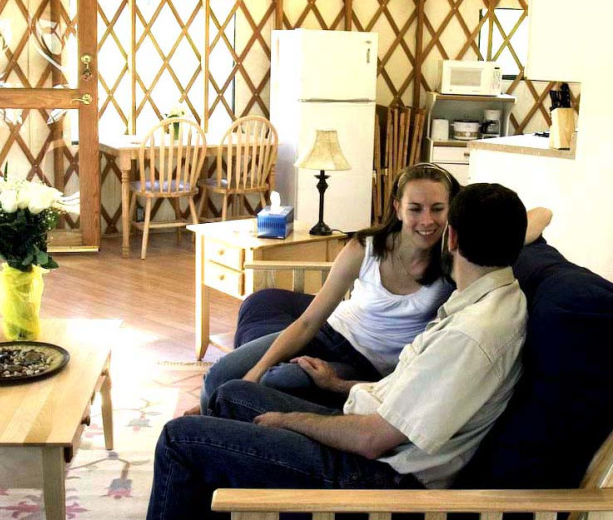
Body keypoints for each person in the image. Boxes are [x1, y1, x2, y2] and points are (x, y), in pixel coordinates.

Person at [147, 183, 529, 520]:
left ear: (451, 238)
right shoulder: (492, 300)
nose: (425, 220)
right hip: (376, 433)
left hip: (379, 477)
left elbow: (373, 439)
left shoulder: (470, 333)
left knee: (178, 439)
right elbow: (408, 397)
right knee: (231, 394)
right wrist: (336, 386)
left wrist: (289, 420)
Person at [194, 163, 462, 412]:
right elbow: (309, 321)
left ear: (450, 209)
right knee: (219, 376)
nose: (427, 220)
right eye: (415, 209)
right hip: (329, 332)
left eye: (437, 209)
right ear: (398, 208)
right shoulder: (367, 247)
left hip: (366, 365)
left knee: (279, 380)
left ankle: (216, 419)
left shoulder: (454, 263)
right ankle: (210, 417)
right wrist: (252, 373)